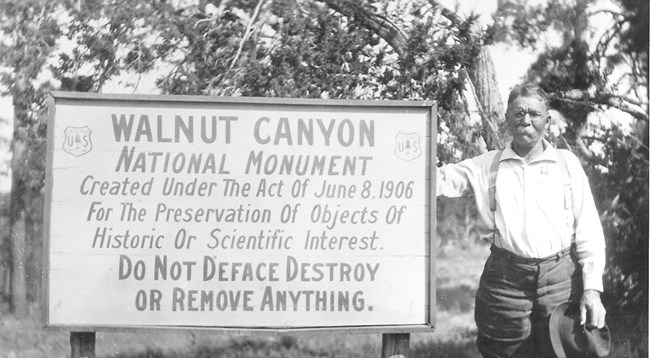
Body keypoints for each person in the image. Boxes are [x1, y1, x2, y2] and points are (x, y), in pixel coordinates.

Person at [436, 84, 607, 358]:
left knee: (564, 351)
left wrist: (592, 290)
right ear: (507, 117)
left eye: (534, 114)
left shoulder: (567, 164)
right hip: (505, 283)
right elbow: (434, 179)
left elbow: (589, 230)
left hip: (560, 279)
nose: (526, 120)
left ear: (546, 120)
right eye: (518, 113)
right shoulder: (486, 166)